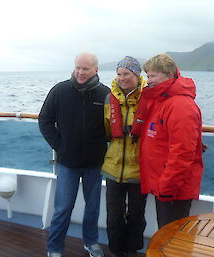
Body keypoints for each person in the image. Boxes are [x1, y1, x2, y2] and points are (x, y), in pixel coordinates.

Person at [38, 53, 110, 257]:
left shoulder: (105, 94)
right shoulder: (60, 91)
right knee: (63, 208)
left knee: (93, 208)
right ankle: (54, 247)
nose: (80, 72)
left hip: (94, 163)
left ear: (95, 70)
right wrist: (59, 145)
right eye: (77, 67)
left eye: (85, 68)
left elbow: (110, 128)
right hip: (67, 162)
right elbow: (45, 120)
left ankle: (90, 242)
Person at [132, 53, 204, 229]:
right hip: (163, 184)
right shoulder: (162, 100)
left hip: (173, 190)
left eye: (154, 76)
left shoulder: (180, 106)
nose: (148, 81)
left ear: (169, 75)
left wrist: (167, 188)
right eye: (147, 76)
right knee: (165, 234)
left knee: (170, 238)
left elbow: (182, 153)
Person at [101, 56, 147, 257]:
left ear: (137, 75)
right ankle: (116, 251)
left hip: (139, 169)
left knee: (137, 215)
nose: (121, 78)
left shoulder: (149, 98)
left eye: (126, 74)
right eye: (119, 74)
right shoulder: (108, 98)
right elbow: (105, 129)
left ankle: (132, 250)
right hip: (113, 167)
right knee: (114, 216)